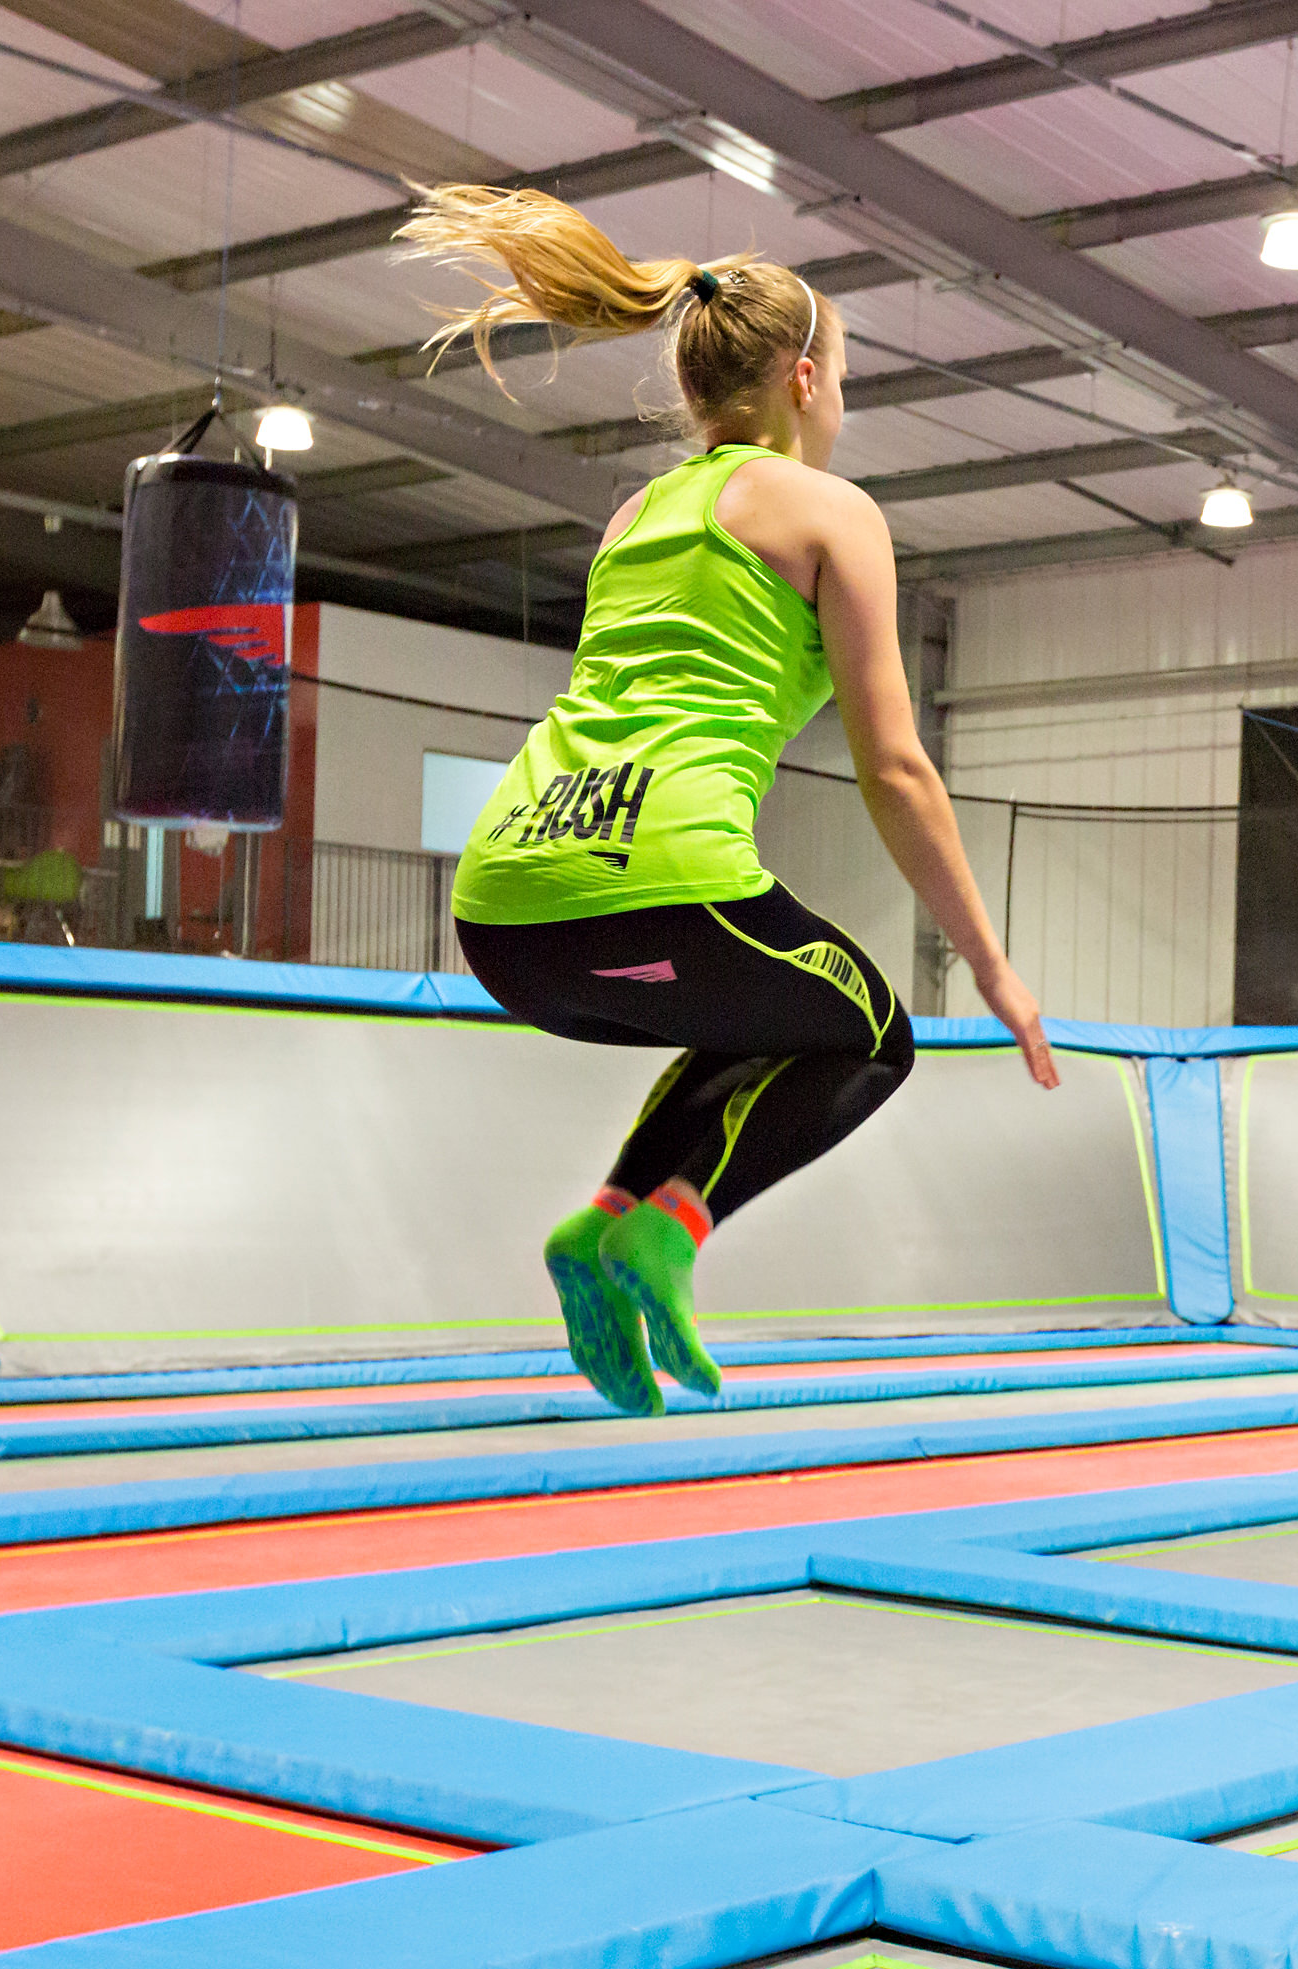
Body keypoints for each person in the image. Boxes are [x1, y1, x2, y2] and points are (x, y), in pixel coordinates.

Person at [400, 186, 1056, 1415]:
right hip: (662, 887)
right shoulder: (829, 510)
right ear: (805, 379)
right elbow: (895, 766)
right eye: (846, 379)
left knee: (763, 1013)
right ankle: (670, 1230)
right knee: (870, 1032)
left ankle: (604, 1222)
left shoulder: (632, 517)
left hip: (500, 915)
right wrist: (993, 967)